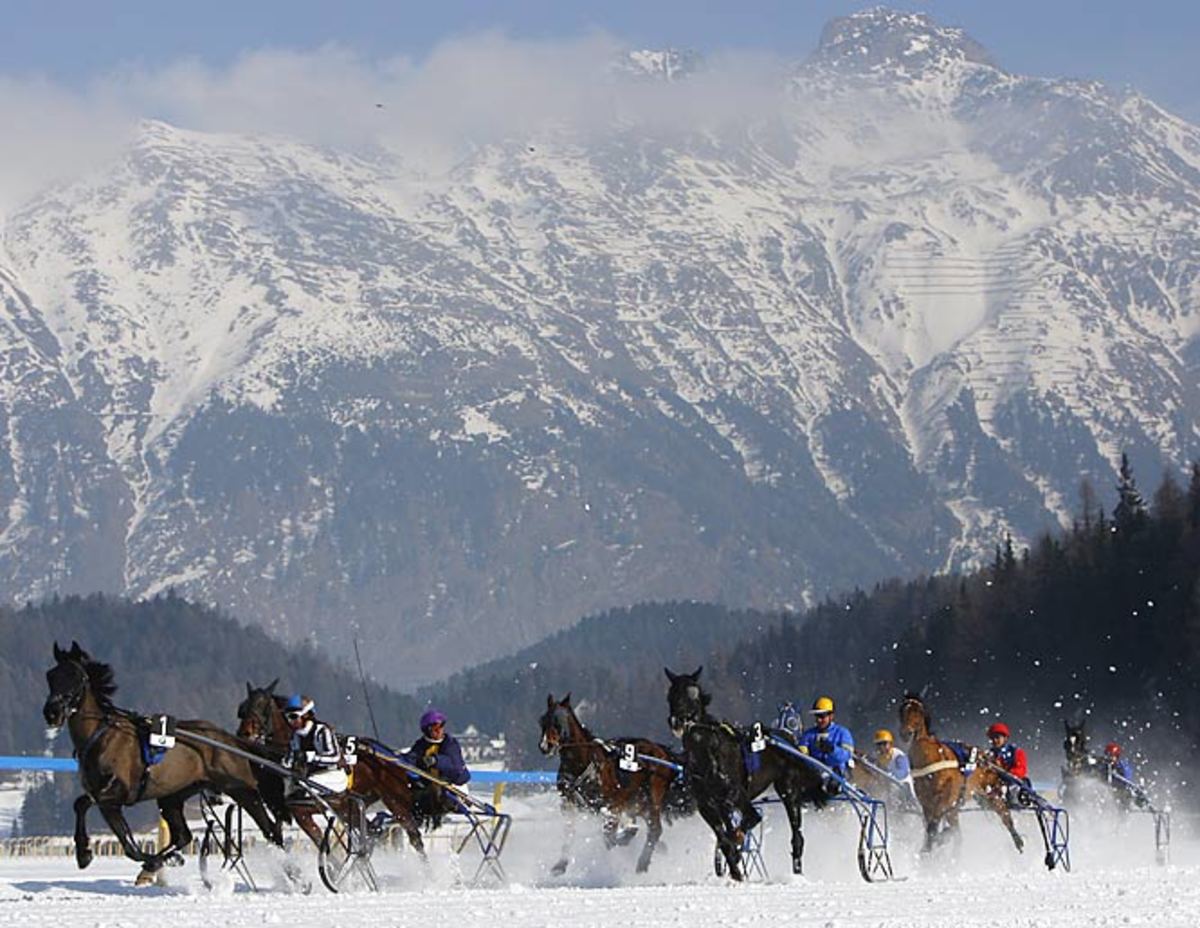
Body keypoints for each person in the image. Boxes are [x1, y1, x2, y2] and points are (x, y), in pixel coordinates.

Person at [283, 694, 347, 798]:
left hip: (333, 774)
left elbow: (335, 757)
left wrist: (309, 757)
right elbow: (288, 761)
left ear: (305, 715)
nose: (290, 722)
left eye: (293, 717)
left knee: (306, 785)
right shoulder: (296, 736)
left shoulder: (322, 731)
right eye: (287, 718)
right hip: (310, 776)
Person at [797, 696, 855, 789]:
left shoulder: (842, 733)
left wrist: (832, 750)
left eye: (822, 716)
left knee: (831, 784)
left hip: (837, 774)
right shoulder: (808, 735)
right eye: (817, 716)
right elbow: (802, 754)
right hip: (814, 773)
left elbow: (847, 755)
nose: (819, 720)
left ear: (831, 716)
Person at [405, 709, 470, 786]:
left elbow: (455, 766)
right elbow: (410, 759)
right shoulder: (420, 745)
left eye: (441, 726)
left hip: (453, 786)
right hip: (430, 785)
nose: (439, 731)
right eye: (435, 729)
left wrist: (436, 760)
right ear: (427, 731)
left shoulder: (450, 744)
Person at [986, 721, 1030, 806]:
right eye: (992, 738)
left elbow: (1021, 769)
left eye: (997, 738)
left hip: (1014, 783)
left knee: (1013, 789)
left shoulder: (1016, 752)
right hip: (995, 784)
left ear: (1005, 738)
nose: (995, 741)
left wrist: (1007, 774)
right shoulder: (989, 754)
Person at [872, 729, 916, 802]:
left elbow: (903, 773)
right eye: (879, 744)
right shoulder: (877, 756)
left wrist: (889, 774)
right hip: (888, 786)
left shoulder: (898, 756)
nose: (882, 747)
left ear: (890, 744)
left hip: (903, 784)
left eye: (884, 744)